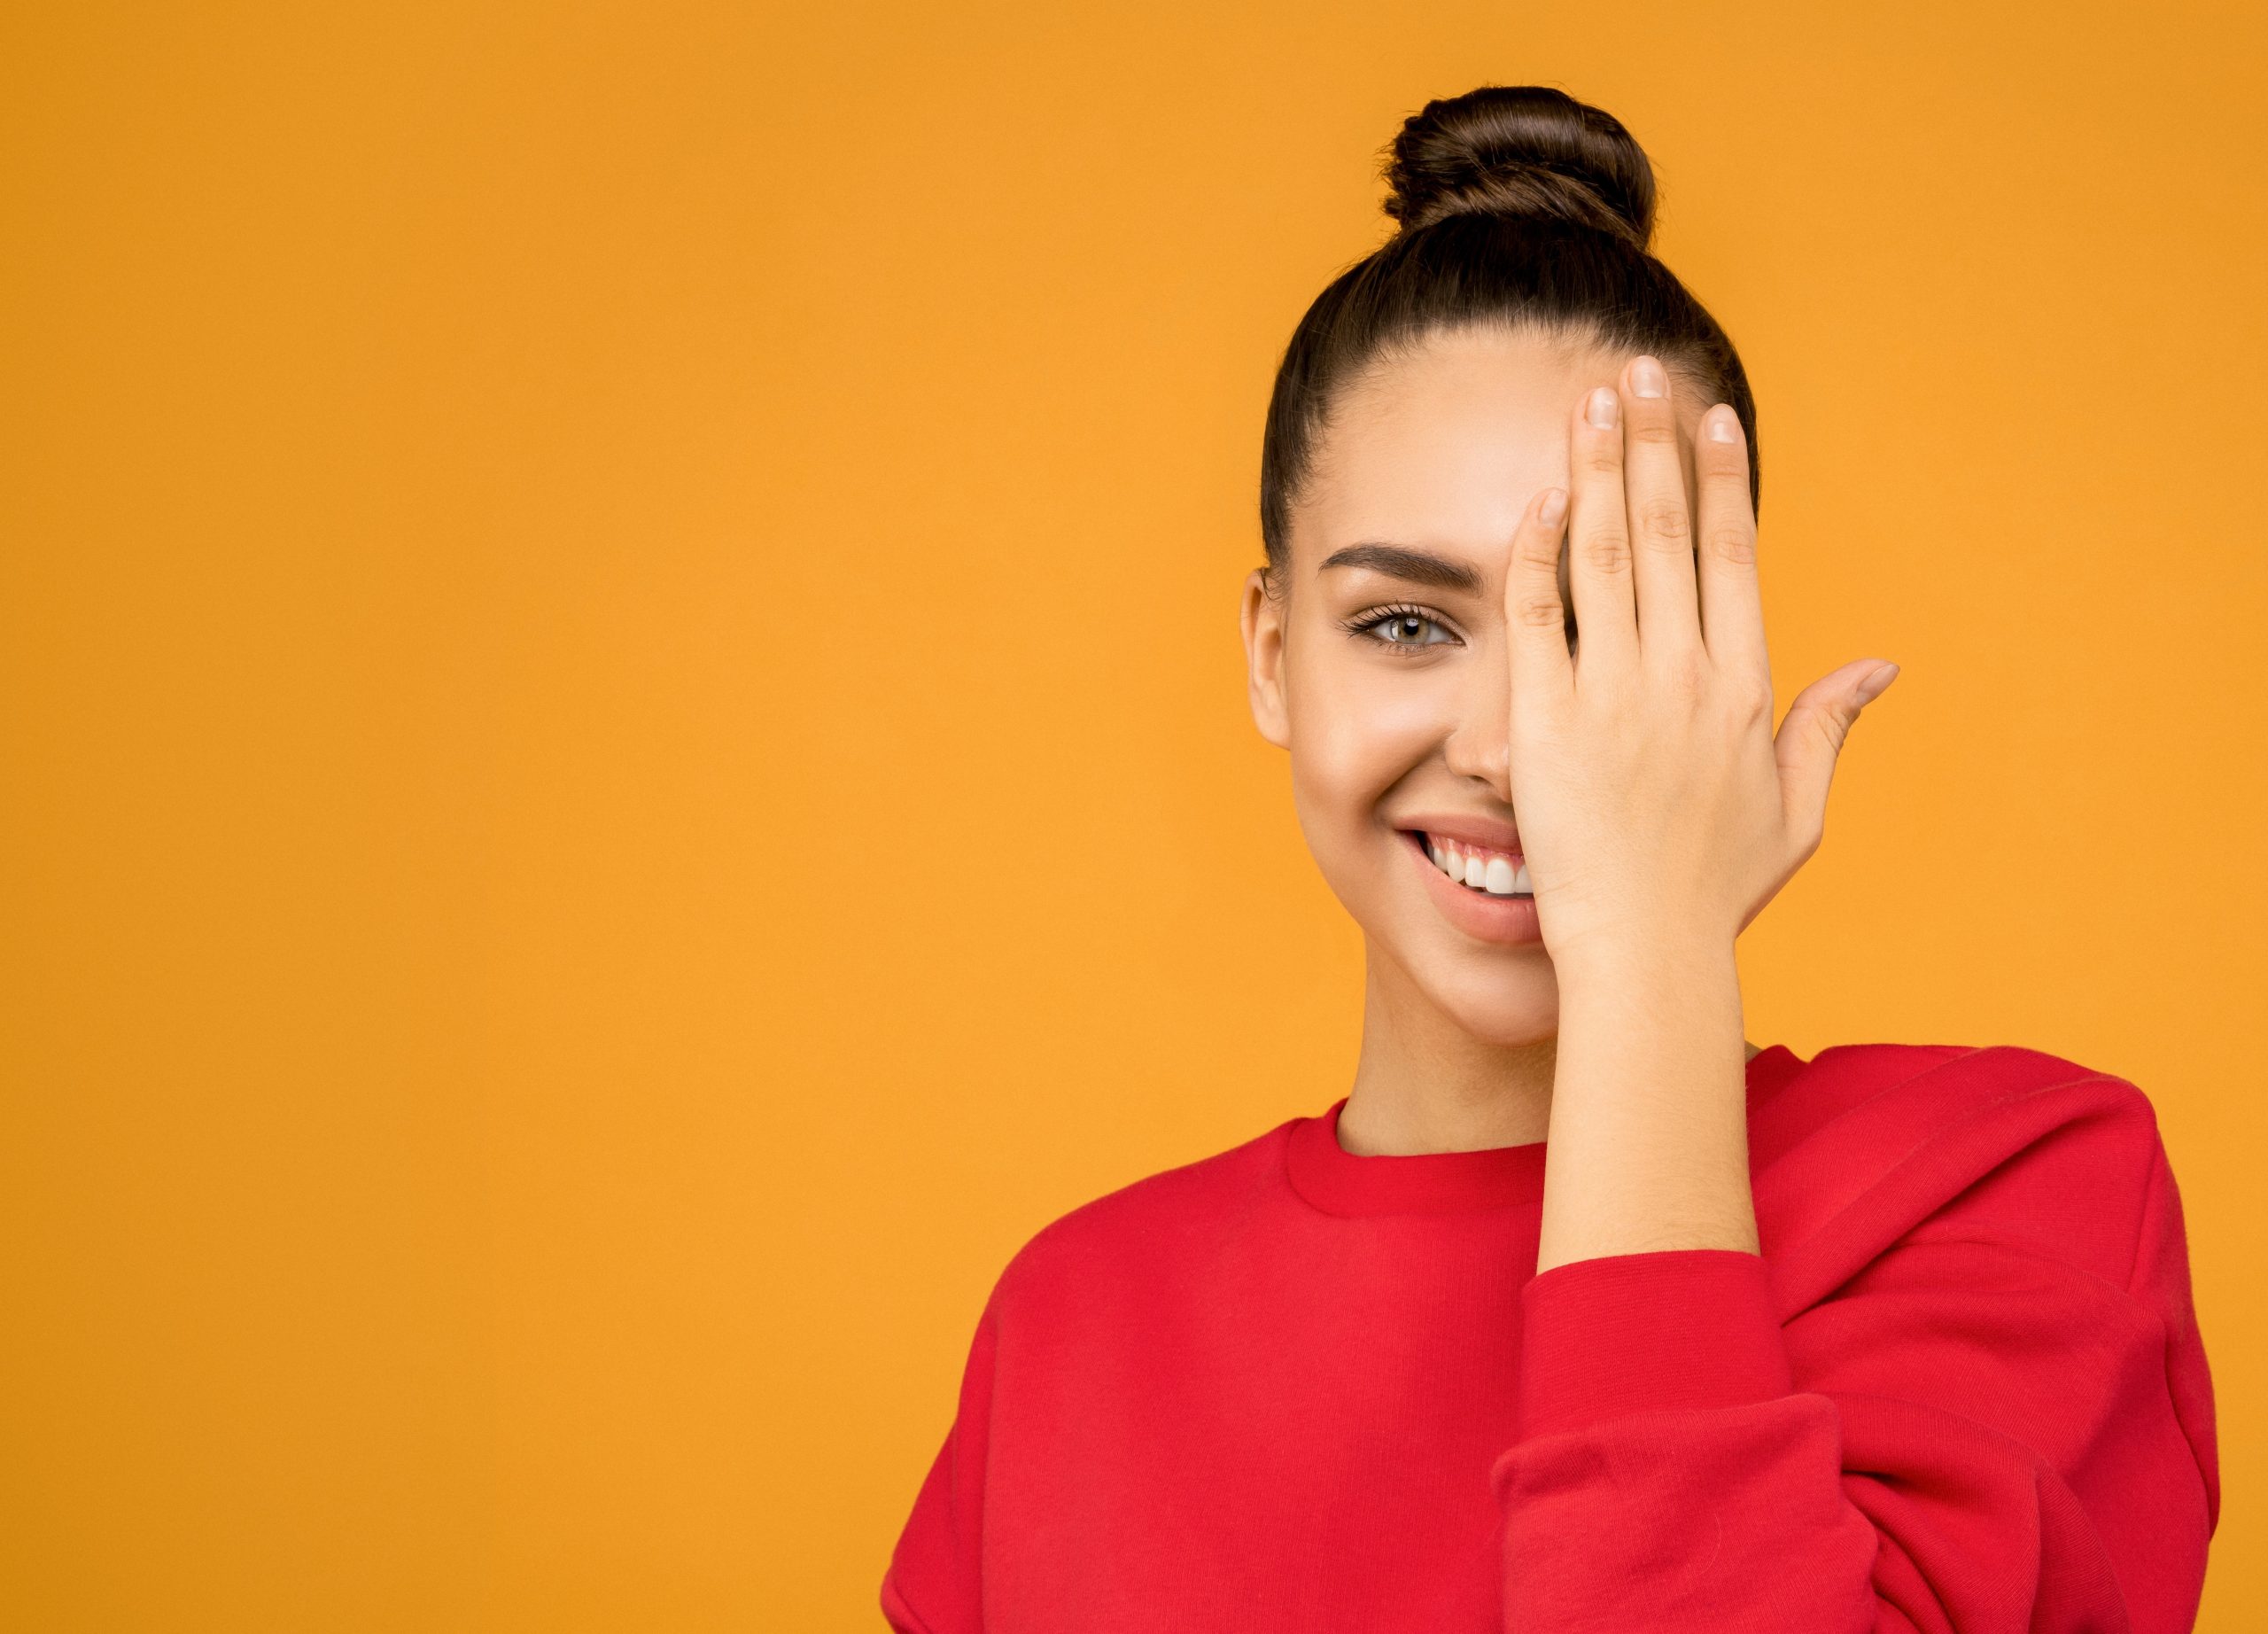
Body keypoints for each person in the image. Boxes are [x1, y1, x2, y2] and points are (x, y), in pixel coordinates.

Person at [878, 84, 2218, 1633]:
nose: (1517, 748)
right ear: (1267, 656)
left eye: (1600, 618)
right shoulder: (1075, 1324)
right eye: (1403, 624)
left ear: (1718, 652)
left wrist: (1653, 943)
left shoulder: (2010, 1190)